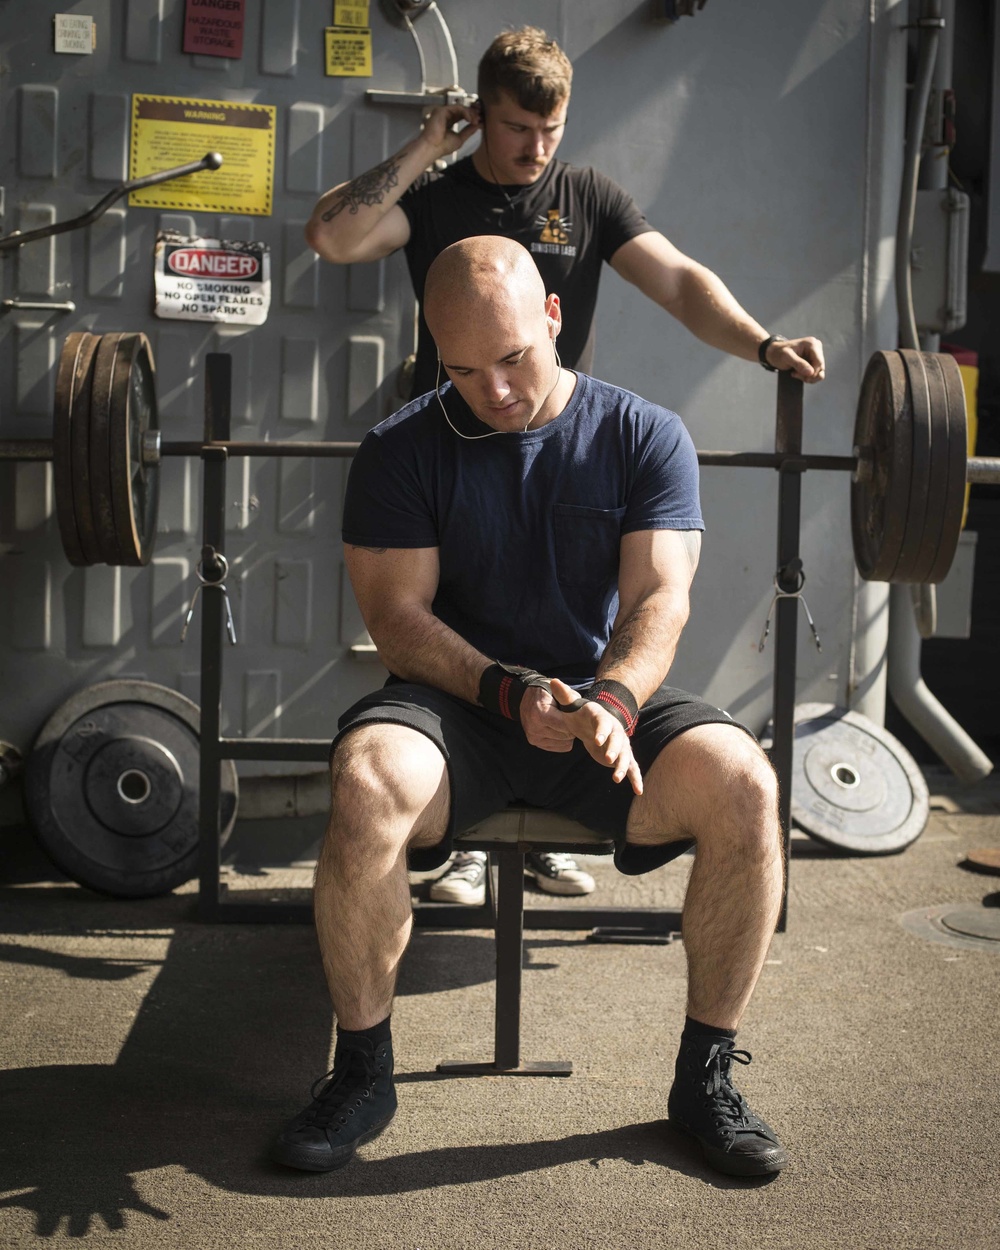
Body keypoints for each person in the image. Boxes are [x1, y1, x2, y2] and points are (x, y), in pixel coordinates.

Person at [271, 236, 788, 1180]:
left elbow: (659, 597)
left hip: (601, 699)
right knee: (365, 782)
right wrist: (510, 691)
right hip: (461, 708)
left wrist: (615, 700)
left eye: (513, 358)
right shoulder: (400, 449)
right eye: (464, 369)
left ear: (554, 317)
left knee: (746, 787)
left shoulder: (643, 435)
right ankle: (361, 1071)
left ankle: (704, 1077)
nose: (496, 391)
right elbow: (397, 622)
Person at [304, 25, 825, 403]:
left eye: (551, 127)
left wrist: (765, 345)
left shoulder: (589, 196)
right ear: (480, 115)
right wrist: (426, 146)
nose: (537, 147)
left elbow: (680, 286)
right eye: (517, 127)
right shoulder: (435, 196)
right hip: (447, 436)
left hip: (554, 439)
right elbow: (331, 238)